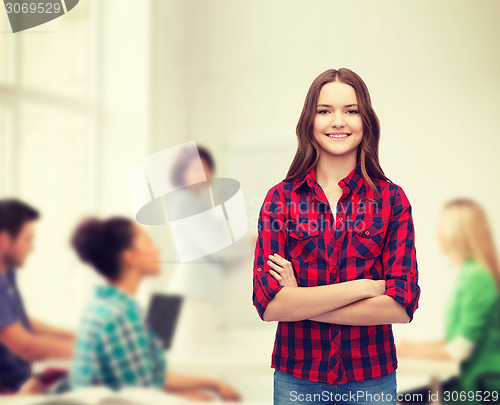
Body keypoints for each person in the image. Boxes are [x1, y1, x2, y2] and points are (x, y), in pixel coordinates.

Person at [252, 68, 421, 405]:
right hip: (296, 379)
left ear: (366, 121)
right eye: (325, 110)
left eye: (351, 110)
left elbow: (402, 305)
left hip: (371, 379)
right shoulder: (280, 200)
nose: (338, 121)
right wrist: (364, 288)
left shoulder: (391, 200)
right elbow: (269, 305)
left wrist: (299, 300)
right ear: (309, 122)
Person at [69, 216, 242, 401]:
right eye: (147, 242)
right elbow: (138, 396)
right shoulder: (121, 316)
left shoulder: (104, 306)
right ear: (130, 257)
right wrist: (189, 399)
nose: (157, 248)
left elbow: (151, 376)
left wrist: (212, 383)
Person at [397, 198, 500, 405]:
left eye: (443, 228)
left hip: (479, 389)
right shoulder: (471, 274)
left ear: (460, 234)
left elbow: (458, 351)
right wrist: (411, 348)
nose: (438, 236)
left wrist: (409, 351)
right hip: (468, 384)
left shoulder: (476, 277)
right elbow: (458, 340)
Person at [0, 198, 75, 394]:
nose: (32, 248)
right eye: (28, 239)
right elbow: (25, 346)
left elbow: (20, 323)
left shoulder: (7, 275)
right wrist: (91, 350)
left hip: (23, 382)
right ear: (4, 239)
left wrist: (78, 335)